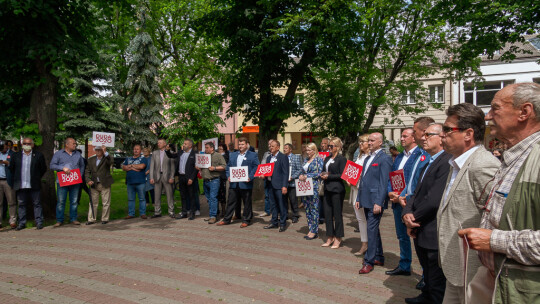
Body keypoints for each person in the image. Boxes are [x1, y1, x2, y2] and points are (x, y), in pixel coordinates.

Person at [459, 83, 540, 304]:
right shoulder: (513, 155)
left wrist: (494, 240)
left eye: (495, 108)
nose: (487, 116)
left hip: (522, 288)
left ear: (524, 112)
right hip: (497, 280)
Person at [402, 123, 452, 304]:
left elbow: (433, 200)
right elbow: (415, 194)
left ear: (441, 138)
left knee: (437, 278)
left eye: (428, 135)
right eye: (423, 134)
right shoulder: (428, 162)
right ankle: (426, 296)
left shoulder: (447, 161)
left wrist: (412, 217)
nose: (423, 138)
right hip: (420, 227)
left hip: (431, 228)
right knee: (428, 272)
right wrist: (406, 212)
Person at [400, 116, 434, 290]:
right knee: (415, 244)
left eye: (415, 131)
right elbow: (412, 179)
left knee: (425, 248)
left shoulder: (431, 155)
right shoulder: (419, 154)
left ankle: (426, 278)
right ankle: (425, 278)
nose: (413, 135)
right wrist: (402, 194)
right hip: (409, 202)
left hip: (421, 208)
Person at [386, 128, 423, 276]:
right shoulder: (400, 156)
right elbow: (392, 176)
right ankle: (404, 265)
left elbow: (416, 180)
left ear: (414, 138)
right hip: (397, 202)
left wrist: (402, 196)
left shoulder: (421, 155)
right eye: (401, 136)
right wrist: (390, 192)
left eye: (404, 136)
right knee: (401, 236)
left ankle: (425, 274)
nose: (401, 139)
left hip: (410, 202)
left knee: (417, 238)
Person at [356, 132, 393, 274]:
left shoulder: (385, 159)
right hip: (365, 198)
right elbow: (363, 180)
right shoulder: (367, 158)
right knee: (373, 230)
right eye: (369, 141)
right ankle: (378, 256)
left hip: (375, 201)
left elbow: (384, 182)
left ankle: (368, 261)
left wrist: (379, 201)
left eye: (372, 141)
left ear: (380, 143)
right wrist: (359, 198)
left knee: (371, 230)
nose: (369, 143)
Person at [218, 137, 259, 227]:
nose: (240, 146)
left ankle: (246, 220)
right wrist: (229, 175)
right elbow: (228, 166)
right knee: (231, 201)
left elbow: (256, 167)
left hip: (246, 183)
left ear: (247, 145)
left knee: (246, 202)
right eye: (239, 144)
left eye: (242, 144)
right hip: (234, 183)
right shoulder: (233, 155)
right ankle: (226, 219)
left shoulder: (253, 155)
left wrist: (250, 177)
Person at [8, 138, 47, 230]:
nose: (27, 145)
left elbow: (43, 168)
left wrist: (36, 177)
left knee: (37, 203)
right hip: (21, 184)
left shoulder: (38, 155)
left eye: (29, 143)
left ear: (32, 145)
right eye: (25, 143)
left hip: (34, 184)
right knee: (21, 204)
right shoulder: (16, 155)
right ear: (22, 145)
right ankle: (21, 223)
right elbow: (12, 168)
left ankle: (39, 222)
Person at [50, 138, 85, 227]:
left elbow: (82, 165)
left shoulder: (78, 154)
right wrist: (62, 168)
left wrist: (79, 175)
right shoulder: (58, 154)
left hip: (75, 181)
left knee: (74, 201)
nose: (75, 145)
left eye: (75, 144)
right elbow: (52, 165)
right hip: (62, 181)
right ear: (67, 144)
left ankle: (73, 218)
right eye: (73, 144)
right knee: (61, 201)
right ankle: (59, 220)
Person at [320, 137, 347, 249]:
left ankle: (338, 237)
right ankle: (330, 236)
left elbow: (342, 174)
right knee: (327, 214)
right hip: (327, 189)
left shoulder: (342, 159)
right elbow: (324, 170)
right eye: (329, 146)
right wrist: (322, 174)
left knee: (337, 214)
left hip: (337, 189)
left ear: (338, 147)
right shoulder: (327, 158)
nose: (329, 148)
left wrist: (329, 176)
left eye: (331, 146)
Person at [348, 134, 369, 255]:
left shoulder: (371, 157)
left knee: (367, 218)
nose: (360, 144)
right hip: (356, 189)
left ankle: (369, 244)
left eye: (363, 142)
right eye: (360, 142)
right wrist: (349, 179)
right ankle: (364, 243)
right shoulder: (359, 156)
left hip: (365, 191)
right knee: (360, 218)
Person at [261, 140, 289, 232]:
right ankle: (274, 222)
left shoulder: (283, 157)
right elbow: (267, 170)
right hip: (270, 185)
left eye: (273, 146)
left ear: (278, 147)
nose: (271, 148)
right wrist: (263, 175)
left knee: (281, 205)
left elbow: (286, 173)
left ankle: (282, 223)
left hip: (279, 185)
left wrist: (284, 186)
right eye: (270, 146)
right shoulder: (269, 158)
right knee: (272, 205)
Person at [166, 139, 198, 220]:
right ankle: (184, 212)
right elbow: (171, 156)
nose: (183, 145)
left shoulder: (194, 154)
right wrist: (167, 150)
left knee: (191, 195)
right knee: (182, 195)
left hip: (189, 177)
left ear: (190, 145)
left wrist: (192, 178)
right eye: (183, 143)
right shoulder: (180, 152)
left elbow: (196, 168)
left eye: (185, 144)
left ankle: (192, 213)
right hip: (181, 177)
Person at [196, 142, 226, 224]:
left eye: (207, 147)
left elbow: (224, 166)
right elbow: (200, 167)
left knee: (213, 198)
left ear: (212, 148)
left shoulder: (218, 155)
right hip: (205, 180)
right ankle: (212, 215)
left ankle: (213, 216)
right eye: (205, 148)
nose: (205, 149)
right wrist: (198, 167)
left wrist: (215, 168)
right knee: (209, 199)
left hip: (214, 180)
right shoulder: (204, 156)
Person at [299, 142, 324, 240]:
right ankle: (310, 228)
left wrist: (307, 176)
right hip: (305, 187)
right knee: (307, 208)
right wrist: (301, 175)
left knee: (314, 209)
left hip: (314, 187)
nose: (307, 152)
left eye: (309, 150)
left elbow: (319, 173)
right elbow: (302, 171)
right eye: (307, 150)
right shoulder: (306, 159)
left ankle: (314, 230)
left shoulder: (318, 160)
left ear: (314, 150)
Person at [85, 145, 114, 225]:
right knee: (93, 202)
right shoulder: (91, 159)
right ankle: (91, 219)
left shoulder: (106, 158)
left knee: (106, 202)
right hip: (94, 183)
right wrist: (88, 180)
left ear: (102, 151)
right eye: (96, 150)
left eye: (100, 150)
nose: (98, 151)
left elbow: (111, 161)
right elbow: (87, 171)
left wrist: (105, 152)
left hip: (105, 183)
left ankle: (105, 218)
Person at [149, 139, 176, 218]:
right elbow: (152, 166)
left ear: (165, 144)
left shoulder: (170, 153)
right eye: (157, 143)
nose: (158, 144)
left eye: (160, 143)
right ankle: (157, 212)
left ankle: (171, 211)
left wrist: (172, 176)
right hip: (157, 176)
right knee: (157, 195)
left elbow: (172, 167)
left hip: (167, 176)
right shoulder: (155, 153)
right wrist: (151, 177)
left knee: (169, 195)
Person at [122, 144, 148, 219]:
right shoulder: (128, 158)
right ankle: (131, 214)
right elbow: (123, 168)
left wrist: (130, 166)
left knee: (142, 198)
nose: (136, 150)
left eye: (137, 149)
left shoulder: (143, 159)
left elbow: (142, 166)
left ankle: (142, 213)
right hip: (130, 182)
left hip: (141, 182)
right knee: (130, 199)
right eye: (134, 149)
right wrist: (135, 168)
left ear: (140, 151)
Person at [283, 143, 302, 223]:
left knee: (293, 200)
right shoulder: (283, 158)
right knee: (284, 200)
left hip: (292, 183)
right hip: (284, 183)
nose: (284, 149)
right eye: (284, 148)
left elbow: (300, 169)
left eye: (286, 148)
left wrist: (292, 176)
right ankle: (285, 215)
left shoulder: (296, 157)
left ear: (290, 149)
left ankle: (295, 215)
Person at [0, 140, 16, 228]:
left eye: (4, 147)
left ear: (7, 146)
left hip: (8, 180)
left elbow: (15, 165)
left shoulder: (12, 154)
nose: (3, 149)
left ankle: (12, 220)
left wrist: (7, 163)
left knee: (11, 201)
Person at [259, 139, 274, 217]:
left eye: (271, 144)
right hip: (266, 177)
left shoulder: (279, 154)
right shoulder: (266, 154)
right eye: (268, 144)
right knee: (267, 195)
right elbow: (263, 164)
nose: (269, 146)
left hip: (275, 178)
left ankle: (276, 211)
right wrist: (261, 173)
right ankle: (267, 211)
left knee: (275, 195)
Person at [319, 137, 331, 224]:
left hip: (328, 179)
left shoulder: (331, 154)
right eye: (322, 143)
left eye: (325, 144)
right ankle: (320, 216)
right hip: (319, 178)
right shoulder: (318, 154)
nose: (322, 145)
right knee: (320, 197)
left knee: (327, 199)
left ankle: (329, 216)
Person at [217, 143, 230, 217]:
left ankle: (224, 210)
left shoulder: (226, 156)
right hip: (216, 177)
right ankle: (217, 210)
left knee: (223, 194)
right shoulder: (216, 155)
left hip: (223, 177)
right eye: (218, 148)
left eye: (221, 149)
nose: (219, 150)